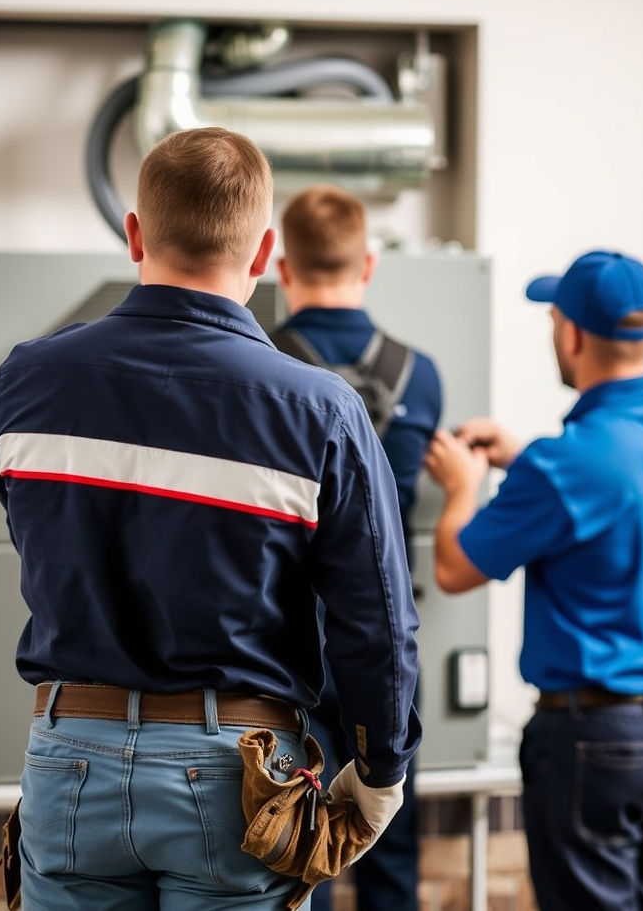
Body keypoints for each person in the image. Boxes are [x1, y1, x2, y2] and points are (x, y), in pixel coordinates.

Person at [0, 128, 422, 910]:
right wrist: (380, 767)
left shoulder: (26, 382)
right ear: (262, 254)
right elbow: (375, 618)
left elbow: (34, 533)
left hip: (67, 758)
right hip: (239, 779)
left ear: (135, 235)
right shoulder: (320, 412)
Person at [423, 249, 643, 910]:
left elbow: (453, 568)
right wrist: (525, 457)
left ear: (572, 334)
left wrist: (462, 489)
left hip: (598, 744)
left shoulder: (562, 469)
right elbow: (622, 492)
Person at [274, 184, 442, 911]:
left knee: (291, 848)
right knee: (389, 842)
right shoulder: (420, 373)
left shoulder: (261, 365)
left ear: (281, 267)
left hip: (287, 648)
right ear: (367, 264)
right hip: (386, 639)